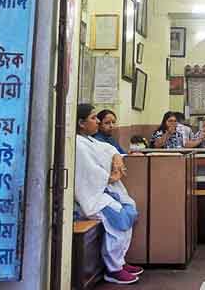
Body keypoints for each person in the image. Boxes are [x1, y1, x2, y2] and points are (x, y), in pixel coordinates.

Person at [74, 104, 143, 285]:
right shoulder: (77, 144)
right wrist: (113, 176)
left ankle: (120, 261)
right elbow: (91, 173)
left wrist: (117, 158)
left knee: (131, 209)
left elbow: (108, 149)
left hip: (103, 191)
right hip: (91, 196)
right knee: (120, 219)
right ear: (81, 123)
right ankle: (113, 269)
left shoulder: (89, 140)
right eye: (93, 118)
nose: (96, 121)